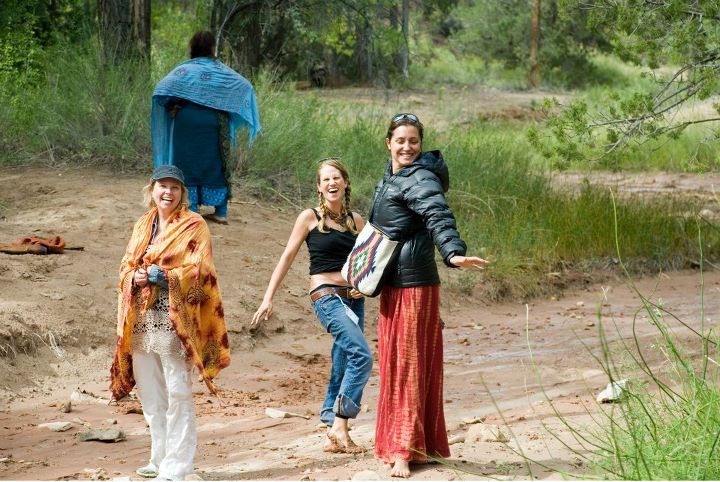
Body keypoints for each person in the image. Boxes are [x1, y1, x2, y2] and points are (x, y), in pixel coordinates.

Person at [370, 113, 489, 478]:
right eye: (401, 140)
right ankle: (423, 445)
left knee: (409, 366)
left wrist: (453, 252)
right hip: (393, 284)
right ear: (388, 143)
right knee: (395, 364)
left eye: (414, 141)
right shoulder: (391, 177)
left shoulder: (420, 177)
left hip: (415, 285)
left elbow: (438, 215)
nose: (407, 147)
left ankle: (404, 451)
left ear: (420, 145)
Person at [109, 165, 231, 481]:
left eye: (175, 187)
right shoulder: (143, 224)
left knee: (177, 391)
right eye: (162, 186)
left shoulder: (194, 225)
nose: (168, 192)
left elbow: (201, 271)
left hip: (175, 319)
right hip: (141, 318)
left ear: (182, 193)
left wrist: (162, 276)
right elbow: (125, 265)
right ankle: (159, 458)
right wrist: (134, 276)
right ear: (152, 190)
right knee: (150, 392)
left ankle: (177, 467)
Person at [251, 158, 372, 453]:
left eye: (336, 178)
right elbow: (287, 257)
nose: (332, 183)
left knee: (344, 358)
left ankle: (331, 422)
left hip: (353, 299)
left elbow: (369, 262)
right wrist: (268, 297)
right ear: (319, 187)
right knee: (361, 356)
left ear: (345, 183)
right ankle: (340, 427)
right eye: (326, 179)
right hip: (326, 295)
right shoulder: (309, 217)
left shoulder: (357, 221)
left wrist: (364, 287)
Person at [151, 30, 261, 225]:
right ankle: (221, 212)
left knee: (187, 164)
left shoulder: (184, 71)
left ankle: (192, 208)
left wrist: (171, 105)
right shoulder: (223, 73)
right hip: (215, 123)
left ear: (193, 48)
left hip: (186, 122)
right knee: (216, 164)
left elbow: (162, 88)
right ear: (212, 48)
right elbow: (245, 87)